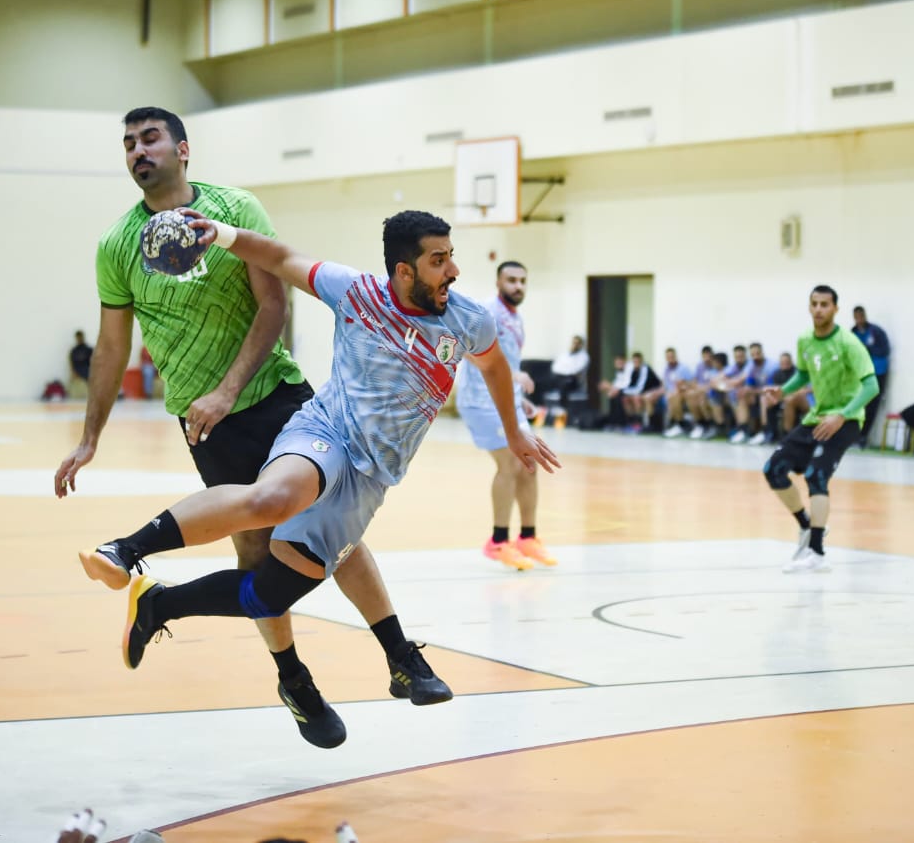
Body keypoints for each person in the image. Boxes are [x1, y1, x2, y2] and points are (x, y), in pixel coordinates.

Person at [54, 107, 447, 751]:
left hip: (277, 395)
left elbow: (273, 305)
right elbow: (112, 346)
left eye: (150, 139)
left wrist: (228, 389)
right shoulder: (117, 245)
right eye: (128, 144)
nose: (138, 151)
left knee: (337, 531)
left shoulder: (234, 209)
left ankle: (400, 654)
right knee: (260, 555)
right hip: (207, 422)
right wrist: (89, 436)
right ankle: (294, 680)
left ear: (183, 148)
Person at [80, 209, 560, 687]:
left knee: (269, 596)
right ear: (404, 271)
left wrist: (515, 430)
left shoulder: (468, 320)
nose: (452, 270)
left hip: (371, 478)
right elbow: (281, 257)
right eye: (438, 260)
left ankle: (158, 605)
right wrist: (220, 233)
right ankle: (126, 548)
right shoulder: (355, 291)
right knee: (272, 498)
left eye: (451, 256)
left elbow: (494, 367)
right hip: (326, 432)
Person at [761, 285, 878, 573]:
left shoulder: (849, 343)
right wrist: (783, 391)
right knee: (773, 469)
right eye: (814, 304)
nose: (818, 309)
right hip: (817, 418)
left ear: (835, 309)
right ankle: (807, 525)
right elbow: (803, 374)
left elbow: (872, 386)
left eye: (825, 304)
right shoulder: (805, 340)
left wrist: (842, 415)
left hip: (847, 420)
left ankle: (817, 552)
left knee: (816, 475)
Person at [455, 260, 558, 571]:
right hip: (481, 401)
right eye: (511, 280)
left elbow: (508, 361)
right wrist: (512, 376)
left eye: (522, 281)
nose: (518, 286)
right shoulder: (487, 312)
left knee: (529, 463)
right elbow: (465, 348)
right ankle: (498, 541)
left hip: (505, 401)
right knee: (511, 463)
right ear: (498, 282)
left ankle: (527, 537)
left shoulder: (516, 317)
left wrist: (518, 398)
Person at [851, 306, 891, 447]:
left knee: (872, 406)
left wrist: (867, 348)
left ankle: (863, 437)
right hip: (859, 374)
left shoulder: (876, 332)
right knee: (857, 405)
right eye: (856, 317)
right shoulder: (853, 333)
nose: (859, 320)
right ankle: (853, 436)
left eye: (861, 316)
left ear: (865, 316)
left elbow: (885, 351)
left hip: (877, 373)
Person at [597, 354, 633, 429]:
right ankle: (613, 422)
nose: (617, 365)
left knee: (618, 396)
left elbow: (627, 384)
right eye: (616, 363)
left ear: (624, 361)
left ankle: (621, 423)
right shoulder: (619, 371)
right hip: (624, 390)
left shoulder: (630, 369)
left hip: (631, 390)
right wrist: (610, 388)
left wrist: (610, 387)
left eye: (619, 363)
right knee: (611, 395)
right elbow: (617, 383)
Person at [68, 330, 93, 398]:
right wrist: (73, 372)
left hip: (87, 369)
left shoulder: (88, 349)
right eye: (78, 338)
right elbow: (71, 362)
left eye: (80, 337)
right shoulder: (74, 350)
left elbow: (93, 361)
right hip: (78, 370)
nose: (79, 339)